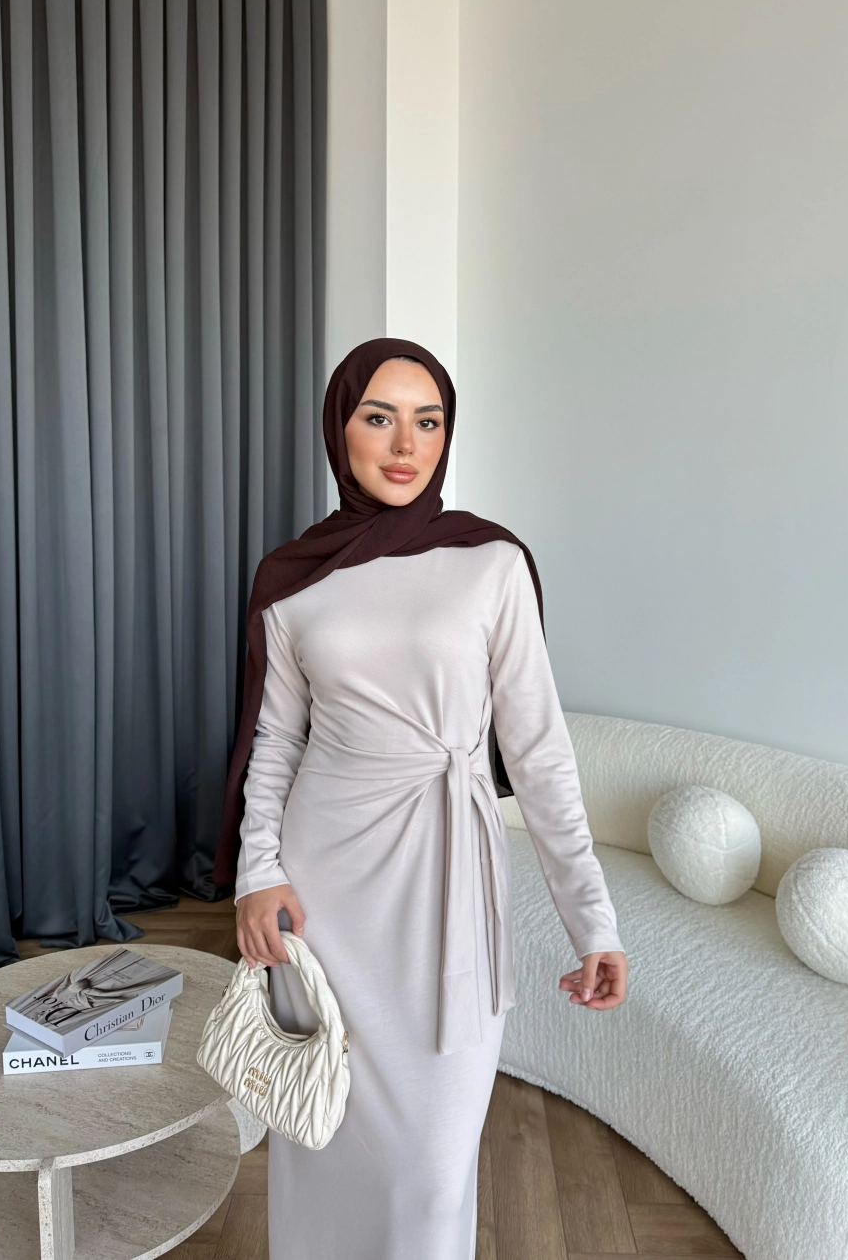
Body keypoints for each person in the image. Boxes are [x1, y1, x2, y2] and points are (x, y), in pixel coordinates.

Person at [212, 337, 629, 1260]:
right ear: (341, 429)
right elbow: (276, 743)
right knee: (320, 1127)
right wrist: (257, 873)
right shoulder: (292, 579)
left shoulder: (492, 562)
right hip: (324, 896)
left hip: (450, 895)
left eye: (428, 421)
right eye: (380, 417)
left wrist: (592, 922)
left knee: (433, 1169)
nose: (406, 445)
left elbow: (541, 753)